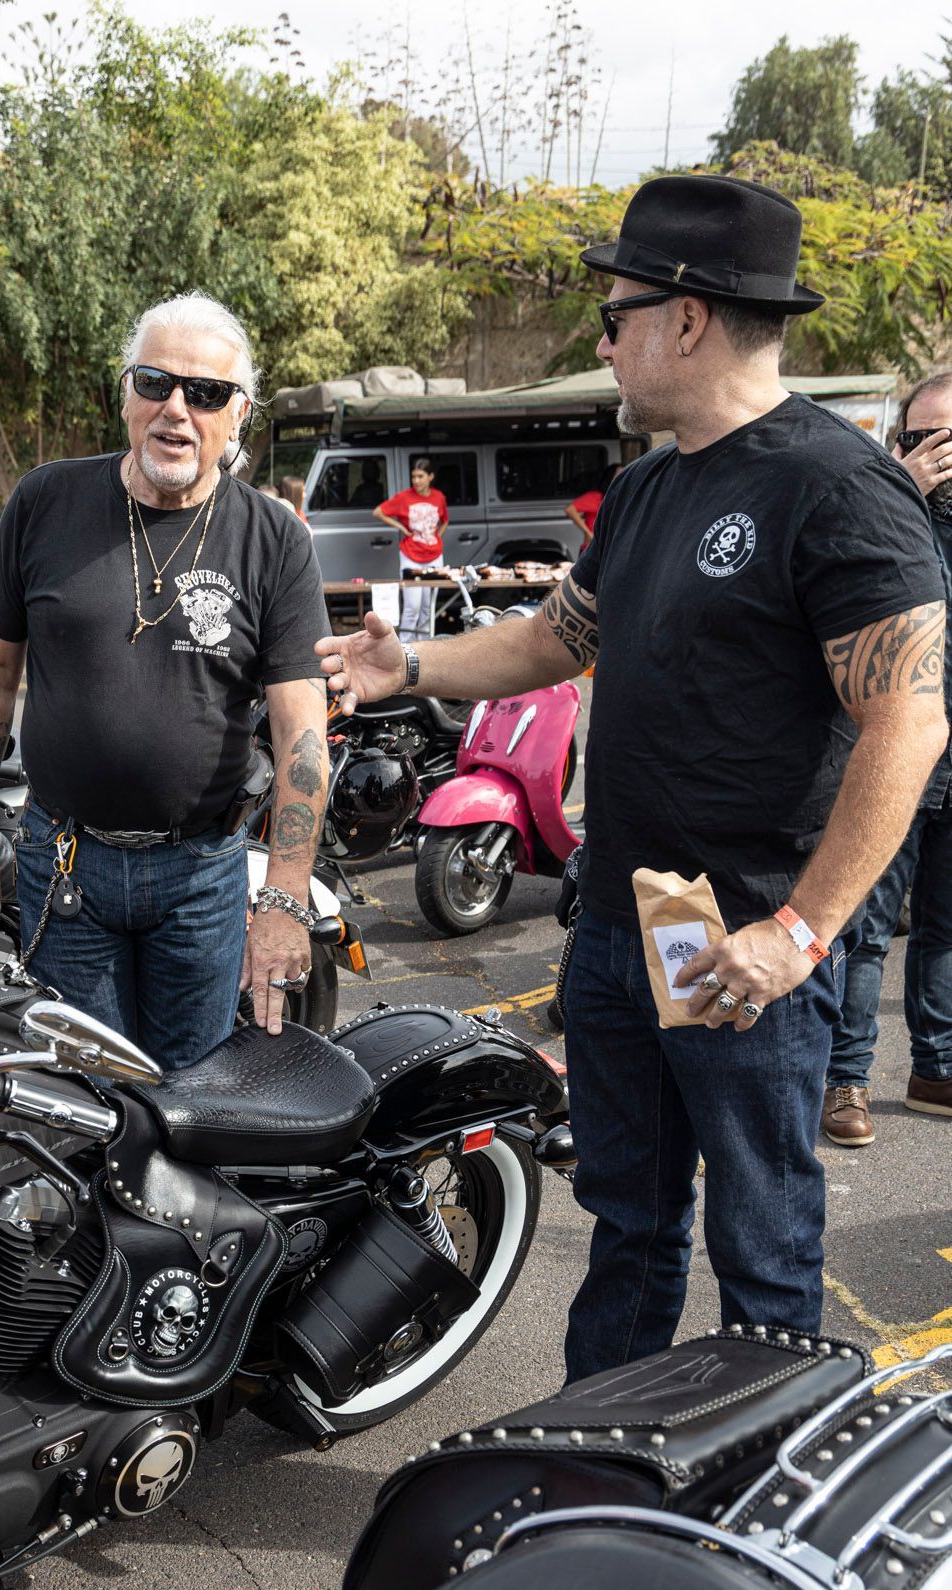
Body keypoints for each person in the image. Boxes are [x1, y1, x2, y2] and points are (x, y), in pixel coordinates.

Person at [318, 174, 947, 1382]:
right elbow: (560, 636)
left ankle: (757, 1504)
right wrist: (414, 665)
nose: (601, 342)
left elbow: (907, 725)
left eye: (614, 317)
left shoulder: (836, 484)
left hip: (743, 947)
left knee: (762, 1247)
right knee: (628, 1221)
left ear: (690, 317)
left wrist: (800, 933)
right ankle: (597, 1458)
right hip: (620, 923)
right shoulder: (656, 483)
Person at [0, 290, 330, 1070]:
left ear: (238, 415)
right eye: (153, 382)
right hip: (64, 865)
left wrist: (285, 898)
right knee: (78, 1099)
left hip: (201, 878)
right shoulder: (45, 501)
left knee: (192, 1097)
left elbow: (302, 730)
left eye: (206, 392)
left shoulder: (273, 538)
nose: (175, 410)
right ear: (125, 393)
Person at [823, 371, 952, 1142]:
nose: (933, 452)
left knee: (944, 926)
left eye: (948, 438)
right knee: (865, 930)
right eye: (916, 437)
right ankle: (846, 1081)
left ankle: (935, 1066)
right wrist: (896, 487)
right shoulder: (876, 505)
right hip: (892, 754)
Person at [375, 457, 448, 643]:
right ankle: (406, 648)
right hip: (411, 555)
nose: (416, 480)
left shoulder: (439, 497)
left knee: (427, 606)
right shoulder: (404, 497)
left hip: (434, 557)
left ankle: (425, 646)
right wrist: (401, 527)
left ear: (430, 476)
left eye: (420, 476)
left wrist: (437, 535)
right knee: (412, 606)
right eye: (413, 476)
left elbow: (445, 520)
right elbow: (378, 512)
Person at [566, 464, 616, 551]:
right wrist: (588, 533)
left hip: (609, 549)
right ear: (610, 478)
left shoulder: (619, 498)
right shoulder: (596, 497)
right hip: (592, 551)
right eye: (619, 474)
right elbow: (570, 509)